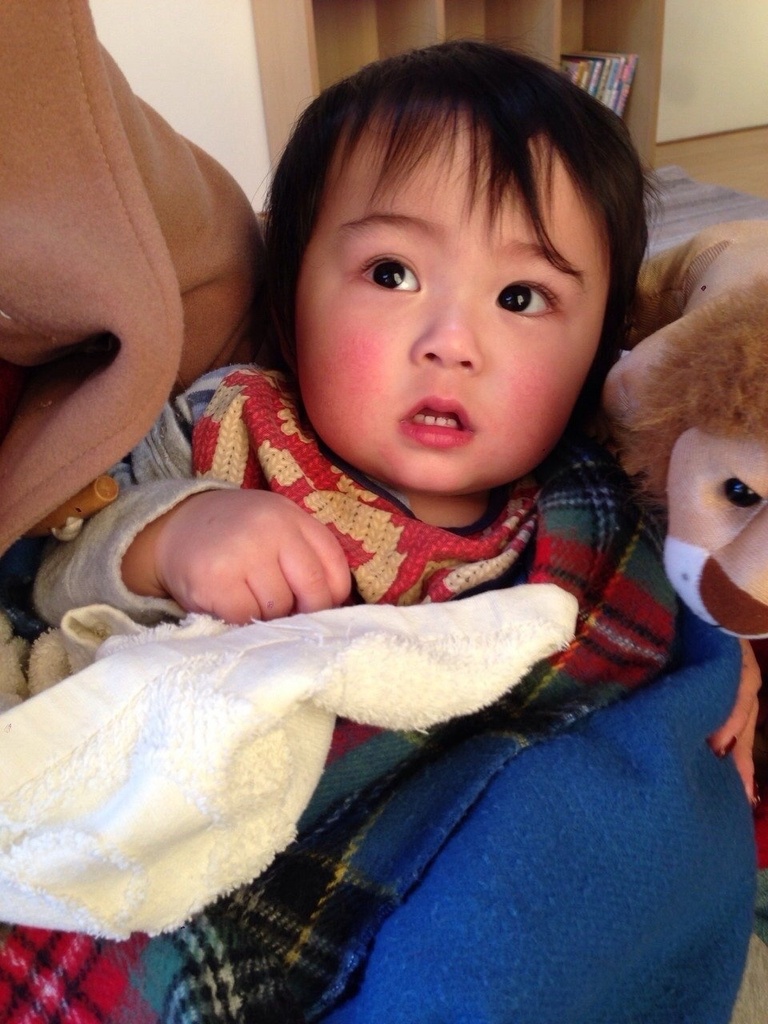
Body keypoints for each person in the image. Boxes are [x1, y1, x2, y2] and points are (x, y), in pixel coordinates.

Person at [9, 35, 760, 1024]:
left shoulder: (589, 500)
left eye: (522, 298)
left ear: (599, 350)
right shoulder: (230, 428)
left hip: (453, 867)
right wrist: (172, 536)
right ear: (291, 293)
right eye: (393, 273)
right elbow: (55, 571)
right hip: (221, 849)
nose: (452, 341)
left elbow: (693, 583)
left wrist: (720, 654)